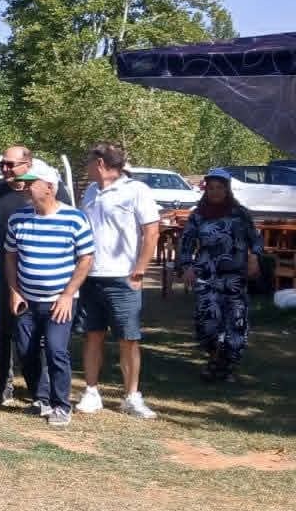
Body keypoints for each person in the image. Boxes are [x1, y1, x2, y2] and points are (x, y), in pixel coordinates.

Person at [75, 141, 160, 419]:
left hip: (122, 277)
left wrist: (139, 269)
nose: (86, 167)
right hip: (91, 276)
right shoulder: (90, 191)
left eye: (89, 161)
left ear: (100, 163)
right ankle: (91, 392)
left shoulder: (136, 191)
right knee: (92, 335)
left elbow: (151, 232)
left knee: (128, 338)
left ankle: (132, 396)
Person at [3, 168, 94, 428]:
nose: (25, 186)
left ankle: (61, 404)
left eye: (32, 183)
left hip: (59, 301)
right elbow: (10, 255)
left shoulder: (74, 219)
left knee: (56, 350)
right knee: (26, 351)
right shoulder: (18, 218)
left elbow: (86, 258)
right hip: (26, 301)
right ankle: (40, 398)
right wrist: (14, 290)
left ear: (49, 188)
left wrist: (67, 295)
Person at [175, 169, 265, 383]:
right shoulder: (198, 215)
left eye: (220, 188)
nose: (215, 192)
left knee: (234, 321)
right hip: (207, 275)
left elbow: (256, 240)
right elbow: (186, 242)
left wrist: (254, 258)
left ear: (227, 189)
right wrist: (187, 266)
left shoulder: (239, 213)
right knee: (208, 321)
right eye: (211, 188)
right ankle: (214, 357)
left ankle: (226, 366)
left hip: (235, 276)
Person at [0, 145, 35, 405]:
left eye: (10, 164)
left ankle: (37, 386)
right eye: (2, 164)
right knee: (1, 330)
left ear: (27, 164)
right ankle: (2, 382)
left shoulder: (39, 191)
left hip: (34, 273)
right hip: (0, 271)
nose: (4, 169)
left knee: (30, 333)